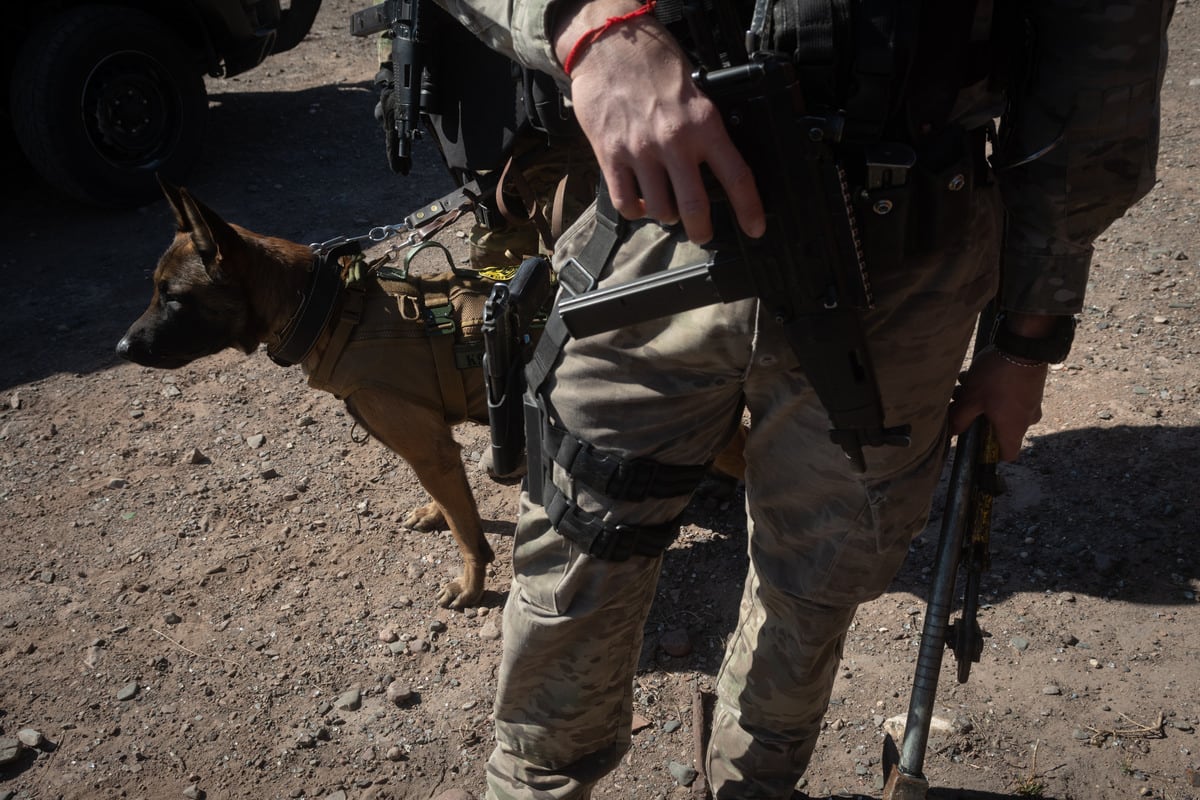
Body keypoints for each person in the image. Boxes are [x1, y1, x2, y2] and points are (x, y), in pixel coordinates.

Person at [420, 0, 1176, 797]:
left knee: (815, 582)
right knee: (578, 543)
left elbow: (1101, 67)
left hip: (903, 255)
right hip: (651, 215)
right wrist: (594, 28)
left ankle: (754, 786)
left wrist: (1027, 340)